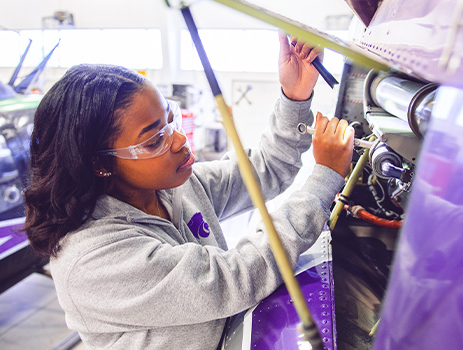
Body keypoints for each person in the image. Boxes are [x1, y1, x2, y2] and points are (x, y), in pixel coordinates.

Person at [23, 33, 354, 349]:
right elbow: (232, 279)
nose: (179, 141)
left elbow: (266, 169)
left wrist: (294, 95)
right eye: (154, 140)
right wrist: (323, 180)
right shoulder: (92, 259)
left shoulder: (168, 188)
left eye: (171, 119)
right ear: (100, 164)